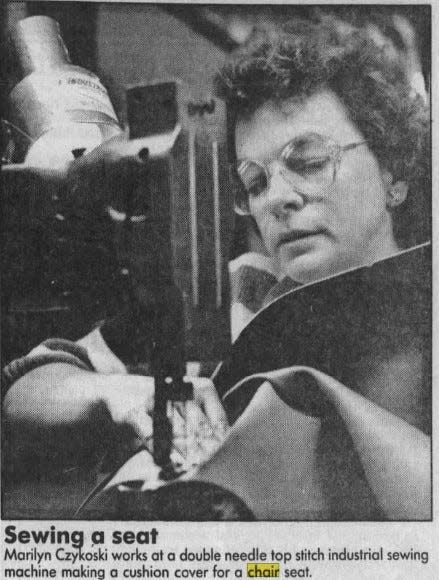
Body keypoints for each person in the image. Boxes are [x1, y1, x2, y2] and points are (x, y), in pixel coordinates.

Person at [2, 16, 430, 517]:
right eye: (254, 183)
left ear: (394, 173)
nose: (278, 200)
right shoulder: (237, 294)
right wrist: (115, 391)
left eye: (309, 162)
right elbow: (27, 384)